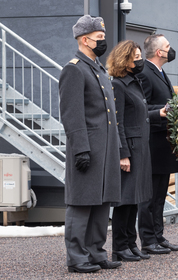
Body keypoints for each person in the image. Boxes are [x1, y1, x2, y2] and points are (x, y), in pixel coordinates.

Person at [59, 15, 122, 273]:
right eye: (99, 38)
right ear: (85, 40)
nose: (103, 41)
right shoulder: (74, 69)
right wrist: (81, 148)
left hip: (105, 149)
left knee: (101, 202)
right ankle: (76, 256)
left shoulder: (98, 69)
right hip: (87, 148)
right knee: (82, 203)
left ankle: (96, 252)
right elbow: (72, 114)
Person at [107, 40, 167, 261]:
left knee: (135, 199)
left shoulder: (134, 83)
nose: (140, 60)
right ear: (125, 60)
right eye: (136, 57)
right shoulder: (118, 85)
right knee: (125, 201)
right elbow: (118, 122)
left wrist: (156, 114)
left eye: (141, 56)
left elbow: (140, 115)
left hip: (141, 148)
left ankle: (131, 244)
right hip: (130, 150)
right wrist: (123, 153)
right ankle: (120, 247)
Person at [137, 34, 178, 254]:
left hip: (162, 143)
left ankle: (158, 235)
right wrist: (160, 112)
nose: (170, 50)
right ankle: (148, 239)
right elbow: (140, 108)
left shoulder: (161, 72)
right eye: (167, 47)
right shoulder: (145, 72)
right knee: (150, 195)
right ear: (158, 52)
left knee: (160, 194)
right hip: (152, 143)